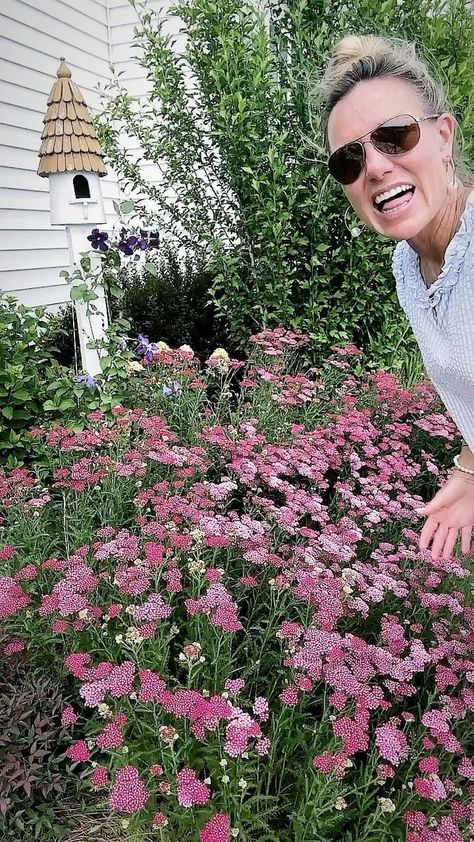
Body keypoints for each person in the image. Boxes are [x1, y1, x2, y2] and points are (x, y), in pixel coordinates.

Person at [318, 34, 474, 560]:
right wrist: (470, 469)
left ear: (444, 137)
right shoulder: (410, 267)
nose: (376, 167)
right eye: (349, 160)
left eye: (395, 136)